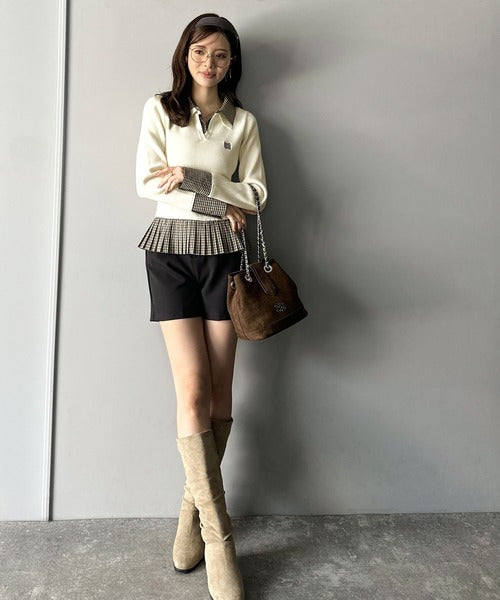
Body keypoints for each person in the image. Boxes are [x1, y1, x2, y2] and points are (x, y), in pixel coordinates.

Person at [135, 13, 268, 600]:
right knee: (191, 390)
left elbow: (256, 195)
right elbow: (148, 183)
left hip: (225, 260)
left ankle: (192, 516)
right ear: (184, 55)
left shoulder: (244, 122)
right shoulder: (160, 109)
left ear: (231, 61)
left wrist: (193, 178)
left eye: (219, 54)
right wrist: (217, 199)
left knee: (219, 392)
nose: (208, 63)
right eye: (198, 52)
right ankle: (220, 540)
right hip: (169, 254)